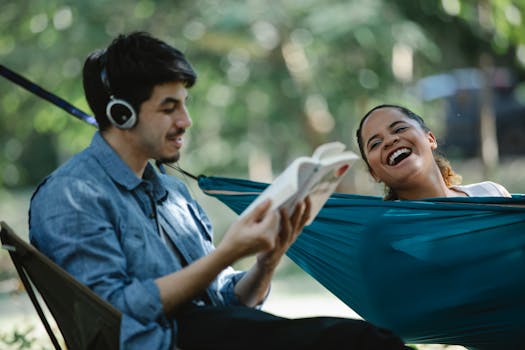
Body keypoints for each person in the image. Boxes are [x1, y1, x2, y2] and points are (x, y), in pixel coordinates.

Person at [29, 32, 410, 350]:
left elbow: (226, 298)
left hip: (218, 331)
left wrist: (266, 260)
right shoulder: (71, 196)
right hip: (174, 342)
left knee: (368, 340)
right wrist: (228, 250)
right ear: (121, 114)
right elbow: (112, 314)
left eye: (185, 105)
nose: (185, 121)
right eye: (169, 108)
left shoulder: (174, 194)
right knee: (362, 343)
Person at [356, 104, 511, 200]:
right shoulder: (384, 234)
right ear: (373, 174)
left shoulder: (492, 194)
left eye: (400, 128)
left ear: (430, 139)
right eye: (375, 143)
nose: (390, 141)